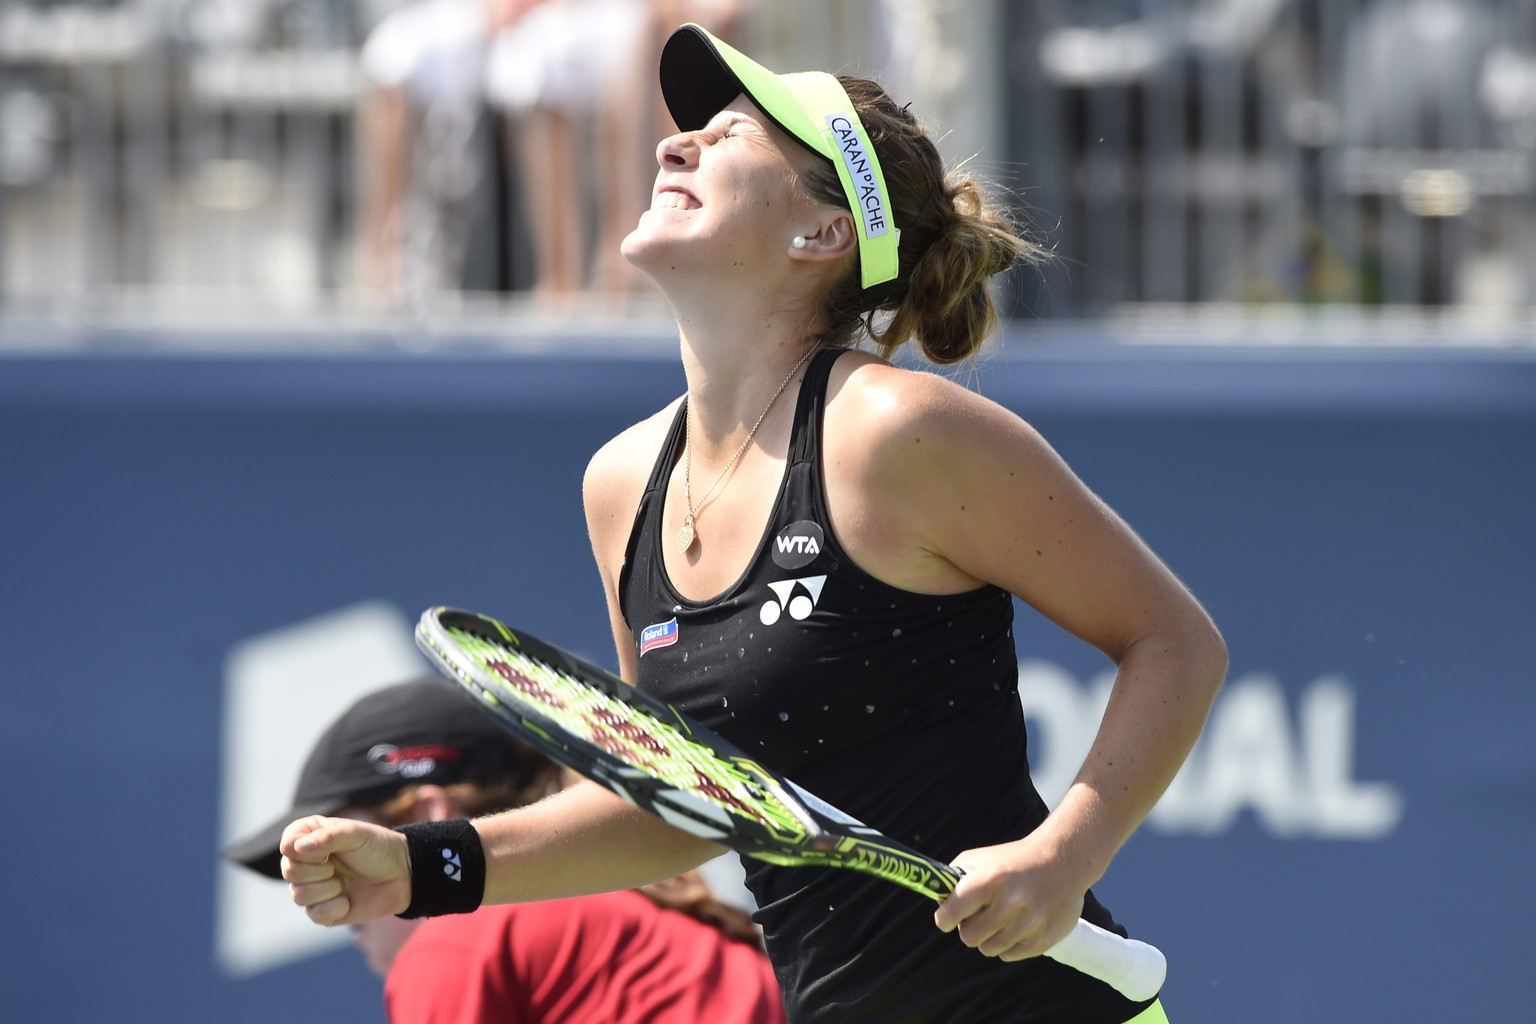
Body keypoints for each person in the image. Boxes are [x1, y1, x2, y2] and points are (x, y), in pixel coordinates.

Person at [279, 24, 1228, 1024]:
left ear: (822, 233)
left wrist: (1065, 855)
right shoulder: (621, 484)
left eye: (730, 136)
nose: (672, 143)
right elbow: (678, 803)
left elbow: (1175, 641)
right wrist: (423, 866)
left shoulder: (897, 433)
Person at [226, 677, 785, 1023]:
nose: (318, 879)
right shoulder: (642, 911)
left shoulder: (459, 944)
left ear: (427, 818)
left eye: (335, 847)